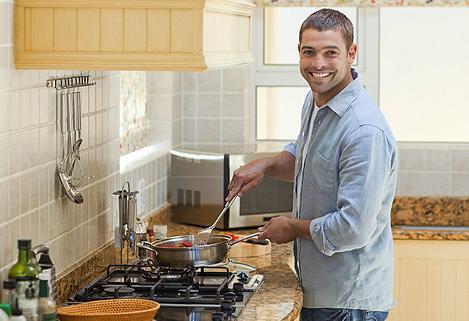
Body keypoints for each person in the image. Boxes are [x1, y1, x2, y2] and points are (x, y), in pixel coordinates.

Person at [225, 8, 398, 321]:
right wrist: (264, 166)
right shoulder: (316, 102)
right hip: (322, 291)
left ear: (351, 53)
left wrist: (291, 227)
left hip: (349, 302)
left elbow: (352, 229)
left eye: (330, 52)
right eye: (310, 52)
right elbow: (305, 158)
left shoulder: (363, 130)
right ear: (299, 53)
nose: (318, 64)